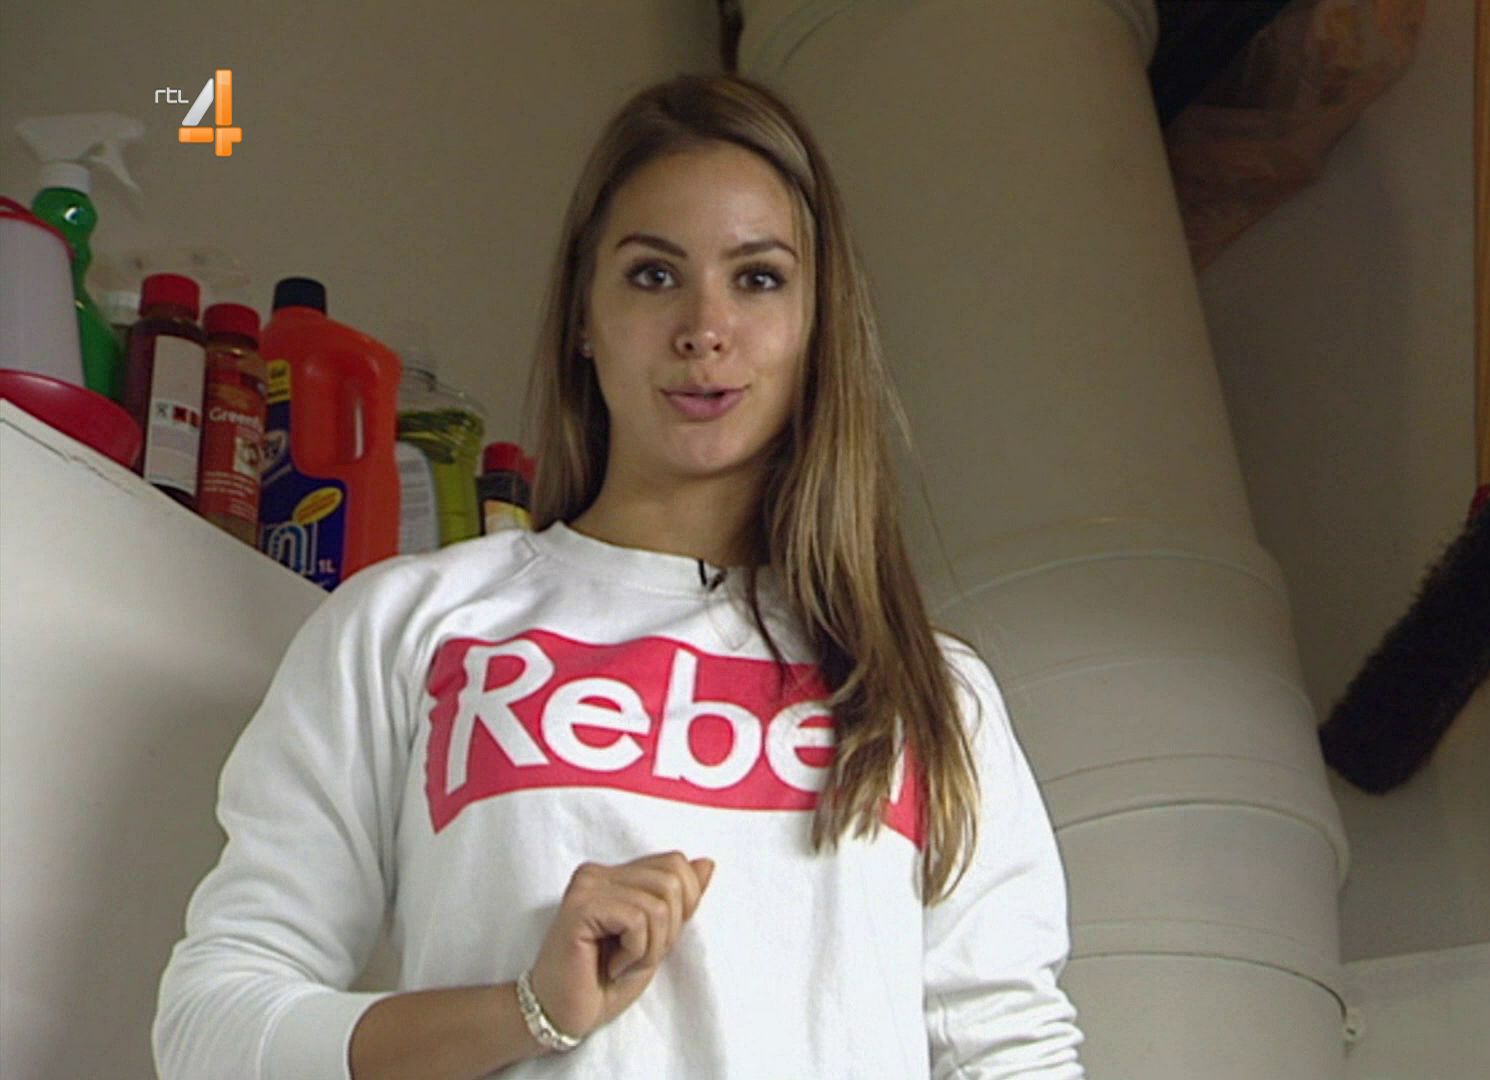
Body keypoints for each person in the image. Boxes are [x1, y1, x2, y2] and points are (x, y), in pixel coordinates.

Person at [152, 72, 1086, 1079]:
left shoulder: (928, 693)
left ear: (820, 325)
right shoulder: (410, 626)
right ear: (583, 318)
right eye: (652, 274)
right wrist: (525, 1014)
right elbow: (212, 1029)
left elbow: (1012, 1054)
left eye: (759, 278)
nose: (704, 328)